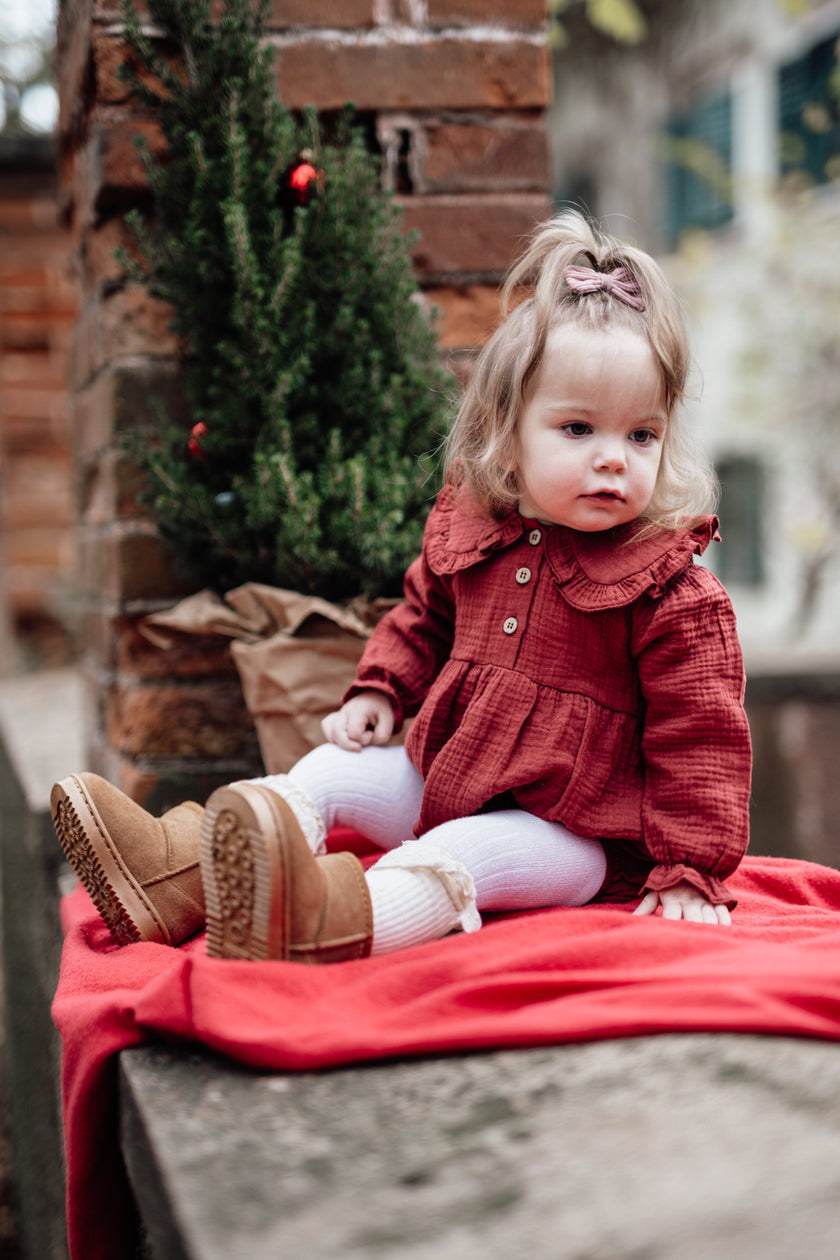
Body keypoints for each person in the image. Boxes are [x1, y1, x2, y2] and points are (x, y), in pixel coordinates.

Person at [51, 210, 752, 963]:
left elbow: (702, 740)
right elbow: (423, 616)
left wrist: (688, 868)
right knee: (332, 770)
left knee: (460, 850)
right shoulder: (478, 534)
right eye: (579, 429)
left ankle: (321, 923)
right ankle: (175, 874)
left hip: (573, 837)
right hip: (452, 772)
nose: (614, 459)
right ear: (507, 437)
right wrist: (379, 691)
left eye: (640, 434)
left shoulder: (668, 594)